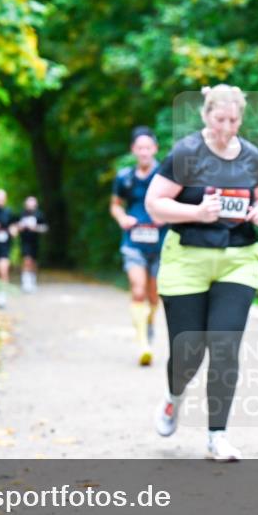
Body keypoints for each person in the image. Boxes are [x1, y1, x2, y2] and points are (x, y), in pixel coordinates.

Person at [145, 85, 258, 462]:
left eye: (234, 120)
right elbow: (155, 204)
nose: (227, 127)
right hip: (186, 260)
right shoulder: (186, 153)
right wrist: (196, 212)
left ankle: (218, 435)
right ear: (206, 116)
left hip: (238, 259)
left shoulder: (250, 156)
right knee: (188, 352)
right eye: (220, 119)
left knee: (224, 346)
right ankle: (173, 397)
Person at [110, 127, 167, 365]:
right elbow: (115, 205)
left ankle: (150, 323)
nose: (144, 152)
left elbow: (177, 199)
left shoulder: (165, 174)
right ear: (133, 150)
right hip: (133, 242)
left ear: (155, 149)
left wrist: (165, 215)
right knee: (137, 289)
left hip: (161, 241)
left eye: (148, 147)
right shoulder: (124, 177)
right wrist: (123, 218)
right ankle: (143, 343)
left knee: (155, 295)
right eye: (139, 148)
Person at [16, 195, 48, 293]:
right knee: (26, 260)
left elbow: (45, 228)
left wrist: (35, 228)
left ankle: (32, 281)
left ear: (35, 204)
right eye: (28, 203)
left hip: (35, 241)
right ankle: (25, 282)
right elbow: (14, 226)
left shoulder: (39, 214)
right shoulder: (21, 214)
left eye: (32, 203)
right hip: (24, 241)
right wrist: (20, 227)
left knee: (33, 261)